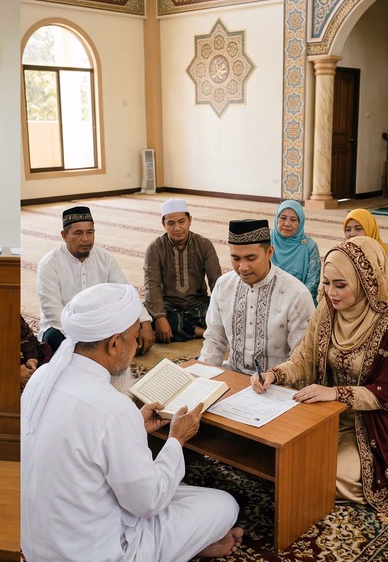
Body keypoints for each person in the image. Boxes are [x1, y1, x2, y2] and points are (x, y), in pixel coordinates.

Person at [21, 282, 243, 561]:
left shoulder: (41, 379)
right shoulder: (112, 407)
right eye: (135, 338)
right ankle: (193, 544)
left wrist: (134, 426)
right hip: (98, 552)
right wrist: (177, 439)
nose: (138, 346)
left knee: (184, 493)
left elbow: (81, 446)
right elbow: (147, 503)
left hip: (39, 545)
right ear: (114, 344)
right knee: (224, 504)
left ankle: (190, 543)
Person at [252, 237, 388, 511]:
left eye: (341, 285)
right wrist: (274, 375)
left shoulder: (385, 324)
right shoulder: (327, 311)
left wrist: (336, 393)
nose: (331, 292)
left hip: (370, 423)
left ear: (366, 284)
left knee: (333, 473)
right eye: (326, 283)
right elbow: (304, 358)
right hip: (323, 414)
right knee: (278, 453)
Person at [199, 219, 315, 376]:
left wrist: (276, 378)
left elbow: (300, 358)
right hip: (234, 376)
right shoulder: (223, 285)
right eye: (236, 258)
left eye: (251, 258)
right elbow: (214, 341)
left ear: (269, 252)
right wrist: (202, 380)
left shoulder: (296, 295)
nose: (243, 267)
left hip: (278, 385)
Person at [36, 205, 154, 354]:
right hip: (65, 328)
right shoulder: (49, 264)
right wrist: (83, 340)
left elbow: (126, 292)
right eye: (78, 233)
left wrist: (145, 322)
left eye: (89, 232)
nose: (85, 239)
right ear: (64, 236)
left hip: (100, 324)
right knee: (56, 340)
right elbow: (53, 311)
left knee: (133, 332)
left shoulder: (104, 258)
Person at [144, 198, 221, 343]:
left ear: (190, 220)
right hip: (169, 309)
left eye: (181, 222)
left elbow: (216, 281)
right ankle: (202, 332)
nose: (177, 228)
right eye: (171, 223)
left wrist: (223, 310)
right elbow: (151, 285)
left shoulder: (204, 245)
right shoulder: (155, 248)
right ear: (163, 224)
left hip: (200, 308)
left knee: (232, 311)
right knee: (141, 313)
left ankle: (184, 330)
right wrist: (160, 317)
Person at [271, 200, 321, 305]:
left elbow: (312, 284)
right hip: (268, 301)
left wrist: (289, 306)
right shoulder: (267, 242)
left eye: (293, 220)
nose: (287, 224)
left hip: (299, 304)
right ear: (277, 219)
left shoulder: (309, 247)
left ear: (300, 222)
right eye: (283, 218)